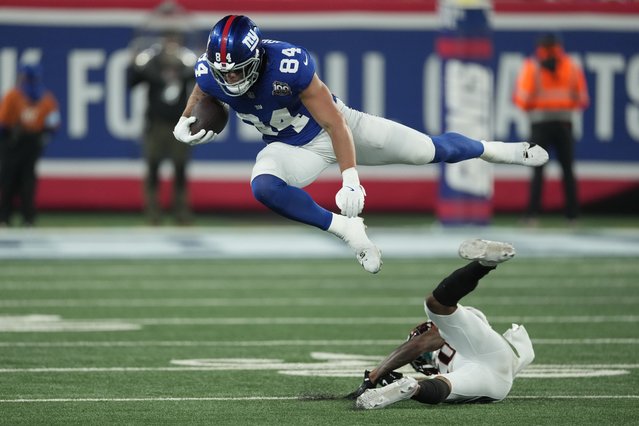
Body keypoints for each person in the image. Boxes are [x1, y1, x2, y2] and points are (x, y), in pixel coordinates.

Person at [173, 15, 549, 273]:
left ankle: (497, 149)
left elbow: (334, 122)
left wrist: (349, 177)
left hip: (341, 128)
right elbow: (201, 91)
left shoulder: (288, 65)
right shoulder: (211, 70)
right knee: (263, 186)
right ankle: (348, 231)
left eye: (238, 69)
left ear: (256, 58)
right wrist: (184, 119)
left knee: (428, 150)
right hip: (290, 147)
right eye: (224, 71)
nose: (231, 78)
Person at [349, 239, 535, 409]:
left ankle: (412, 388)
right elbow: (422, 341)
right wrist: (375, 376)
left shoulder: (443, 352)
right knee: (435, 304)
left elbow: (421, 344)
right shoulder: (460, 334)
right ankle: (484, 265)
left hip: (492, 386)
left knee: (441, 385)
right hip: (494, 360)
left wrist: (377, 375)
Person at [128, 1, 198, 225]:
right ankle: (153, 212)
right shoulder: (152, 62)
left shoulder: (186, 63)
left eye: (175, 40)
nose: (171, 45)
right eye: (168, 40)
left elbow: (200, 79)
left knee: (180, 169)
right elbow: (132, 81)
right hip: (156, 123)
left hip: (180, 124)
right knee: (153, 167)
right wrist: (134, 63)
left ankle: (181, 211)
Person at [513, 33, 589, 226]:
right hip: (564, 123)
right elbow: (582, 99)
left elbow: (522, 100)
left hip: (540, 124)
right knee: (567, 170)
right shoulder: (571, 66)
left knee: (537, 169)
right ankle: (572, 216)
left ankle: (532, 215)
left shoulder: (532, 67)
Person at [0, 63, 60, 227]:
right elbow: (54, 123)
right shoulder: (46, 98)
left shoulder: (13, 96)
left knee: (10, 180)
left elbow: (3, 123)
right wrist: (44, 136)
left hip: (14, 141)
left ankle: (6, 218)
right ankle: (27, 218)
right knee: (27, 180)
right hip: (31, 141)